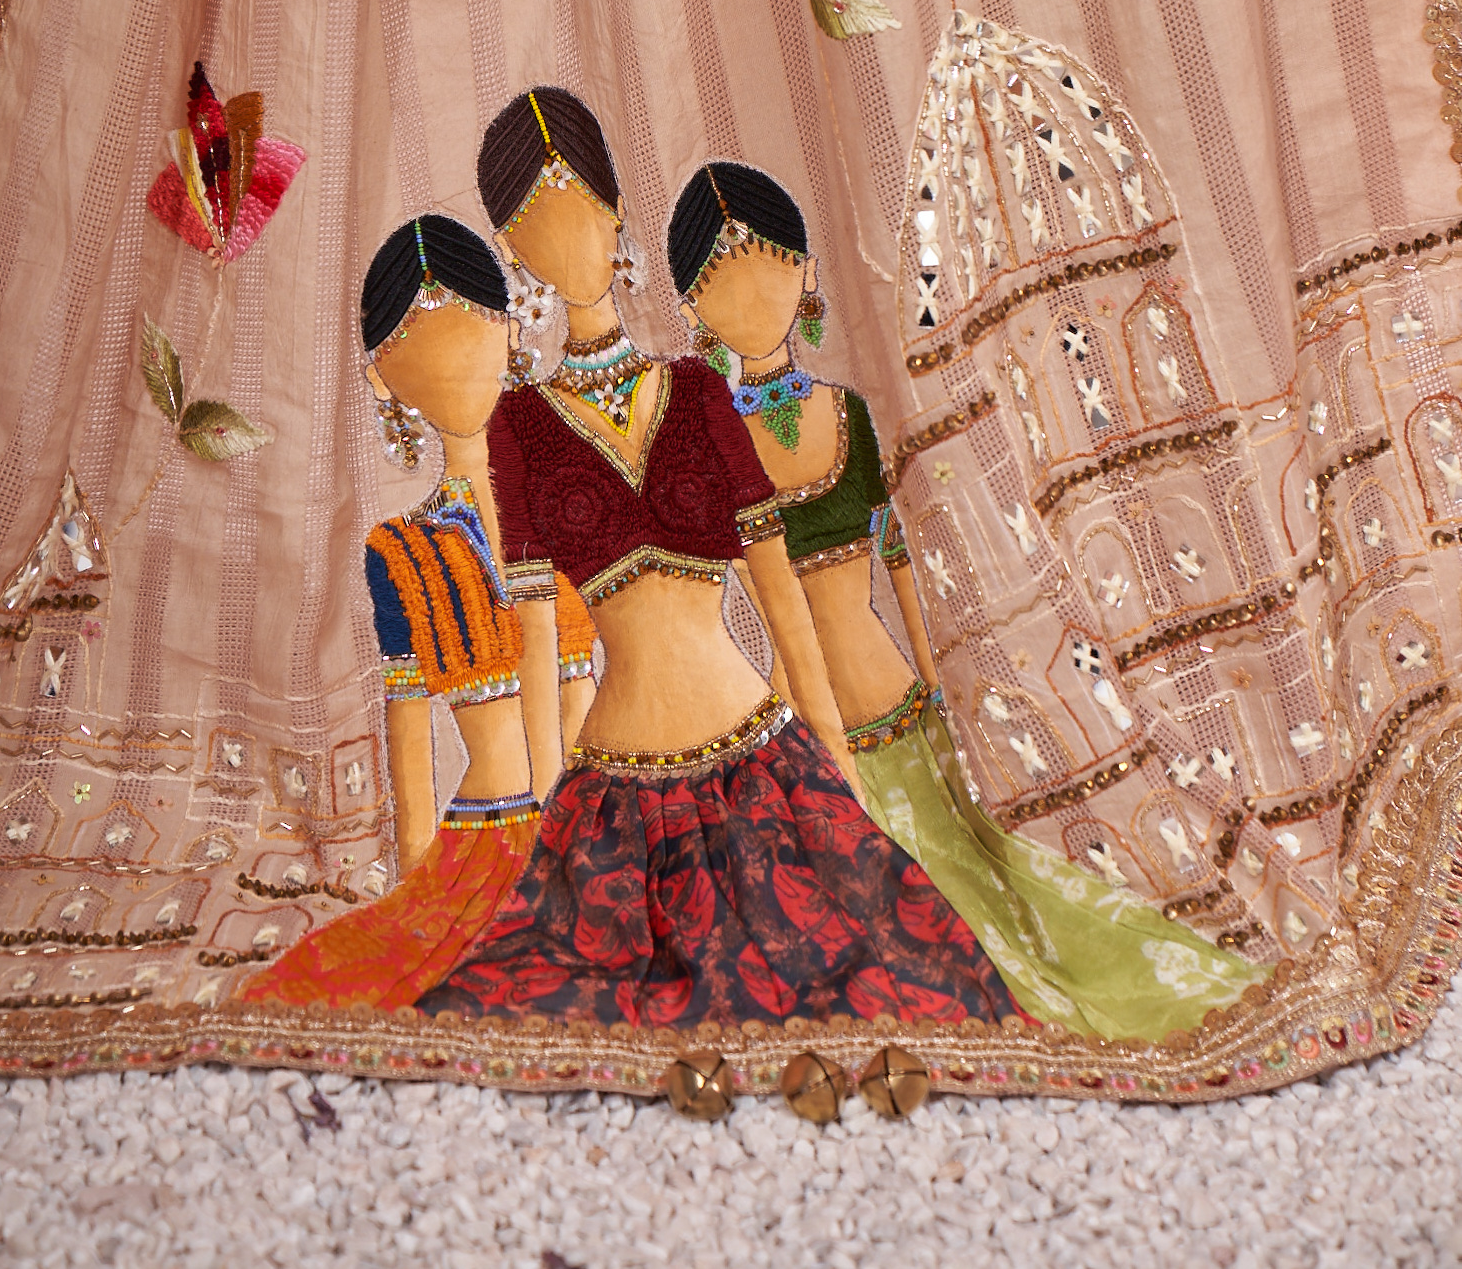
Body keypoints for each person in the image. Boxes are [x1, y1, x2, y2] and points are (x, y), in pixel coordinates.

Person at [417, 88, 1019, 1030]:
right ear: (511, 252)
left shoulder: (699, 391)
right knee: (559, 1001)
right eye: (535, 222)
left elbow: (782, 606)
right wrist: (544, 821)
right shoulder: (518, 428)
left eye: (580, 205)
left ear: (617, 211)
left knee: (892, 976)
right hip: (614, 787)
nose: (565, 240)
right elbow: (538, 646)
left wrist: (841, 783)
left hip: (763, 757)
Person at [667, 159, 1267, 1038]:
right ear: (692, 307)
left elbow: (900, 564)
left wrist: (943, 692)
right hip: (788, 724)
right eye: (721, 279)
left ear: (807, 274)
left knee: (958, 884)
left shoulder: (848, 414)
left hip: (893, 704)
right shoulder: (703, 441)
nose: (751, 296)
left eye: (772, 264)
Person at [243, 213, 590, 1011]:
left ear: (511, 332)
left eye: (472, 327)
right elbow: (410, 739)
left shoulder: (570, 499)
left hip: (600, 821)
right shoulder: (400, 550)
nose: (455, 362)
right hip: (487, 841)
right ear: (382, 381)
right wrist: (416, 894)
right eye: (418, 347)